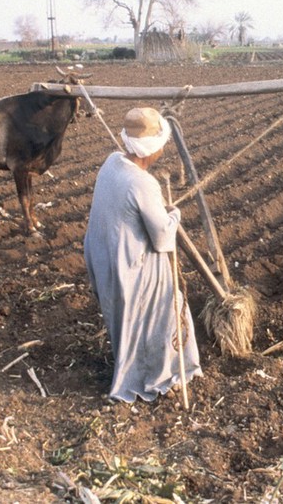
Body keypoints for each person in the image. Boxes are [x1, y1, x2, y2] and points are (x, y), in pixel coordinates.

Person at [84, 107, 202, 403]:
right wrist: (174, 214)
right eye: (161, 144)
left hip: (103, 258)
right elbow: (163, 239)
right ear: (152, 150)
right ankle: (159, 374)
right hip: (130, 266)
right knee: (172, 306)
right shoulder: (143, 183)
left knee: (129, 318)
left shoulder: (112, 162)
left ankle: (135, 362)